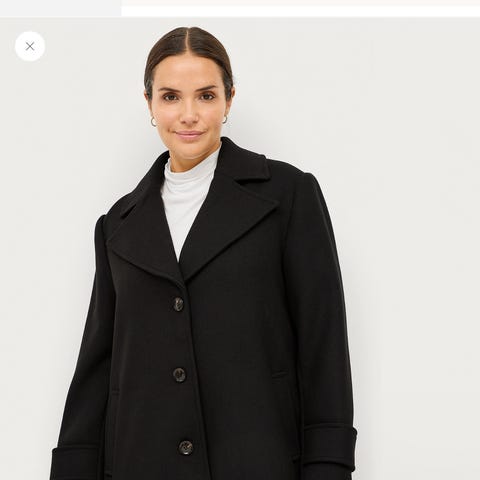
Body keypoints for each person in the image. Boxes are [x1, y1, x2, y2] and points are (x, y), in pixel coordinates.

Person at [49, 26, 357, 480]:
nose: (188, 115)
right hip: (141, 462)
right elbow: (98, 367)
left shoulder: (288, 195)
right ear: (150, 104)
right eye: (171, 97)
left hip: (257, 460)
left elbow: (322, 341)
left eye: (206, 96)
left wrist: (329, 464)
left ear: (229, 100)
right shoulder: (117, 225)